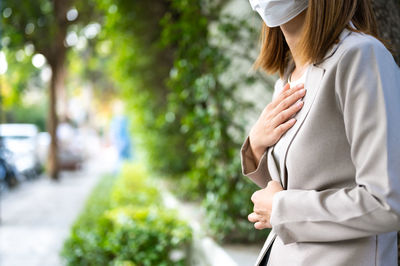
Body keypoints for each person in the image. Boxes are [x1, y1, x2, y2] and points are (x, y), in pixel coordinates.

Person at [240, 0, 400, 265]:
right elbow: (298, 183)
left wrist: (281, 209)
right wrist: (256, 146)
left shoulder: (361, 56)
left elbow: (387, 202)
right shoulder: (288, 76)